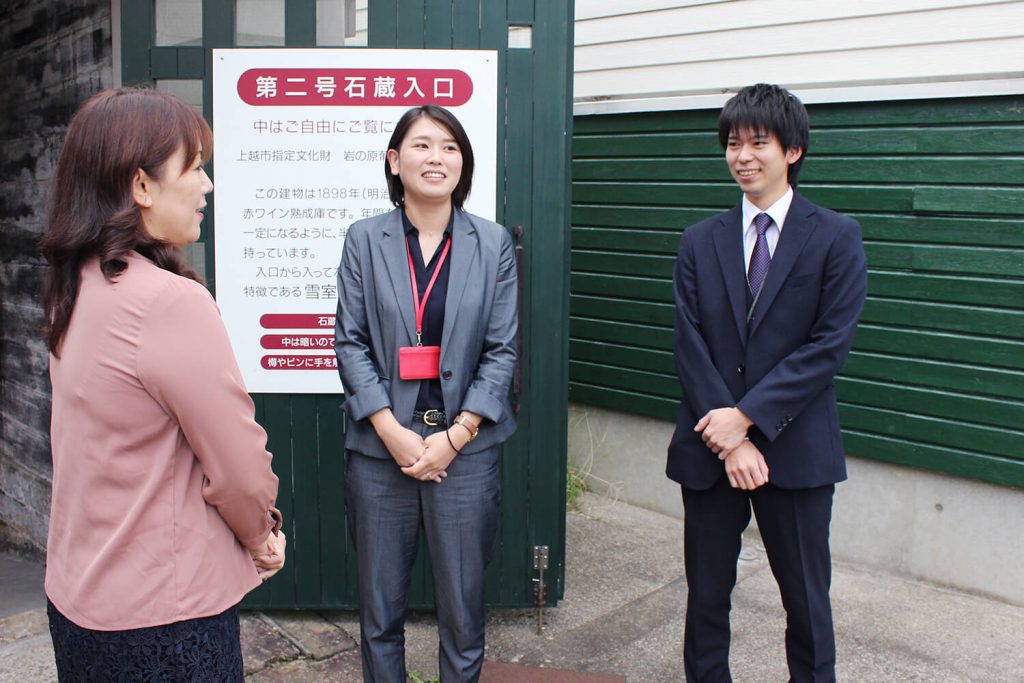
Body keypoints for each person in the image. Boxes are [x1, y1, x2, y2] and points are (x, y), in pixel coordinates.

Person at [41, 87, 286, 681]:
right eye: (195, 167)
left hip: (79, 596)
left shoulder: (76, 285)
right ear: (141, 186)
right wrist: (262, 536)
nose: (206, 185)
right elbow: (236, 464)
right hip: (163, 615)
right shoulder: (167, 302)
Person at [667, 83, 868, 682]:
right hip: (710, 446)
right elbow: (689, 343)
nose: (743, 156)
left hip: (797, 449)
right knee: (705, 599)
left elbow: (828, 346)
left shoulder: (835, 235)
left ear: (794, 150)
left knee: (806, 601)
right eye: (733, 143)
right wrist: (729, 437)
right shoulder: (700, 239)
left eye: (759, 142)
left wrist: (746, 419)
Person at [334, 104, 518, 683]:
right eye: (421, 145)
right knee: (380, 611)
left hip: (464, 452)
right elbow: (350, 342)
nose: (436, 157)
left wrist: (456, 436)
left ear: (463, 164)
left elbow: (502, 352)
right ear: (395, 160)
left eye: (449, 147)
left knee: (462, 614)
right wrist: (391, 431)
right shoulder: (365, 240)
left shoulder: (491, 245)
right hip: (379, 452)